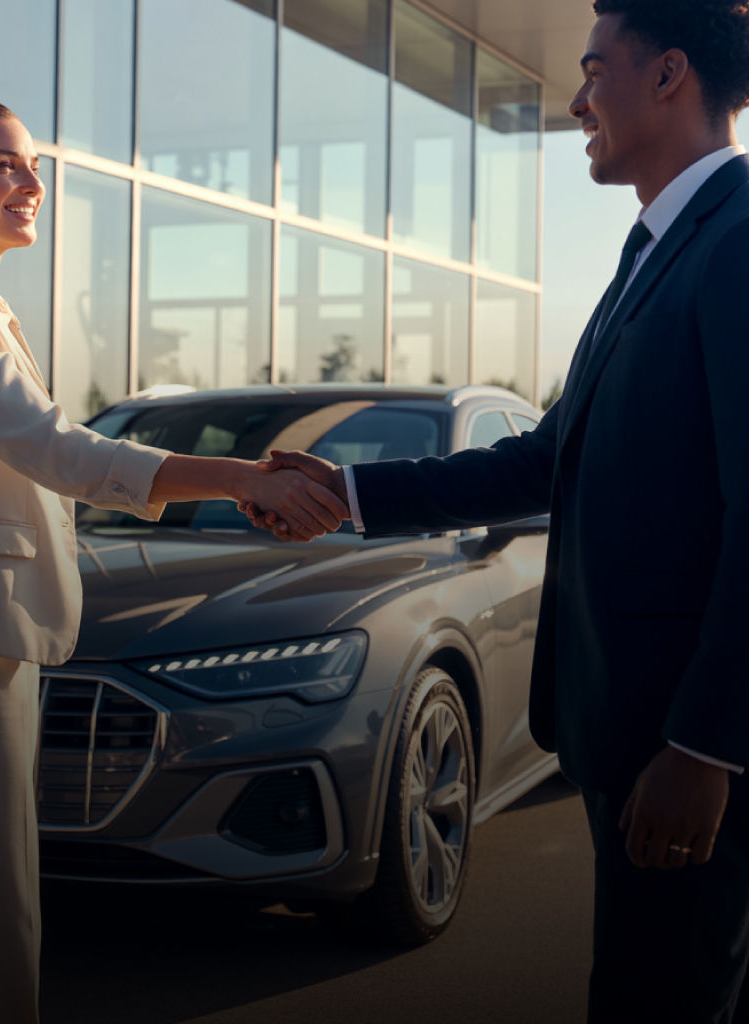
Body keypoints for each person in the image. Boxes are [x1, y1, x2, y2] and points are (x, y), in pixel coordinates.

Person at [246, 2, 749, 1020]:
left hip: (681, 752)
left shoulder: (737, 245)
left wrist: (704, 748)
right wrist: (341, 491)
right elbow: (540, 461)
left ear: (668, 77)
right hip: (628, 738)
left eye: (592, 70)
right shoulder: (650, 253)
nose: (575, 102)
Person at [0, 97, 346, 1024]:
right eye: (5, 165)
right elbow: (60, 452)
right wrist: (243, 477)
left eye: (33, 165)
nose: (32, 183)